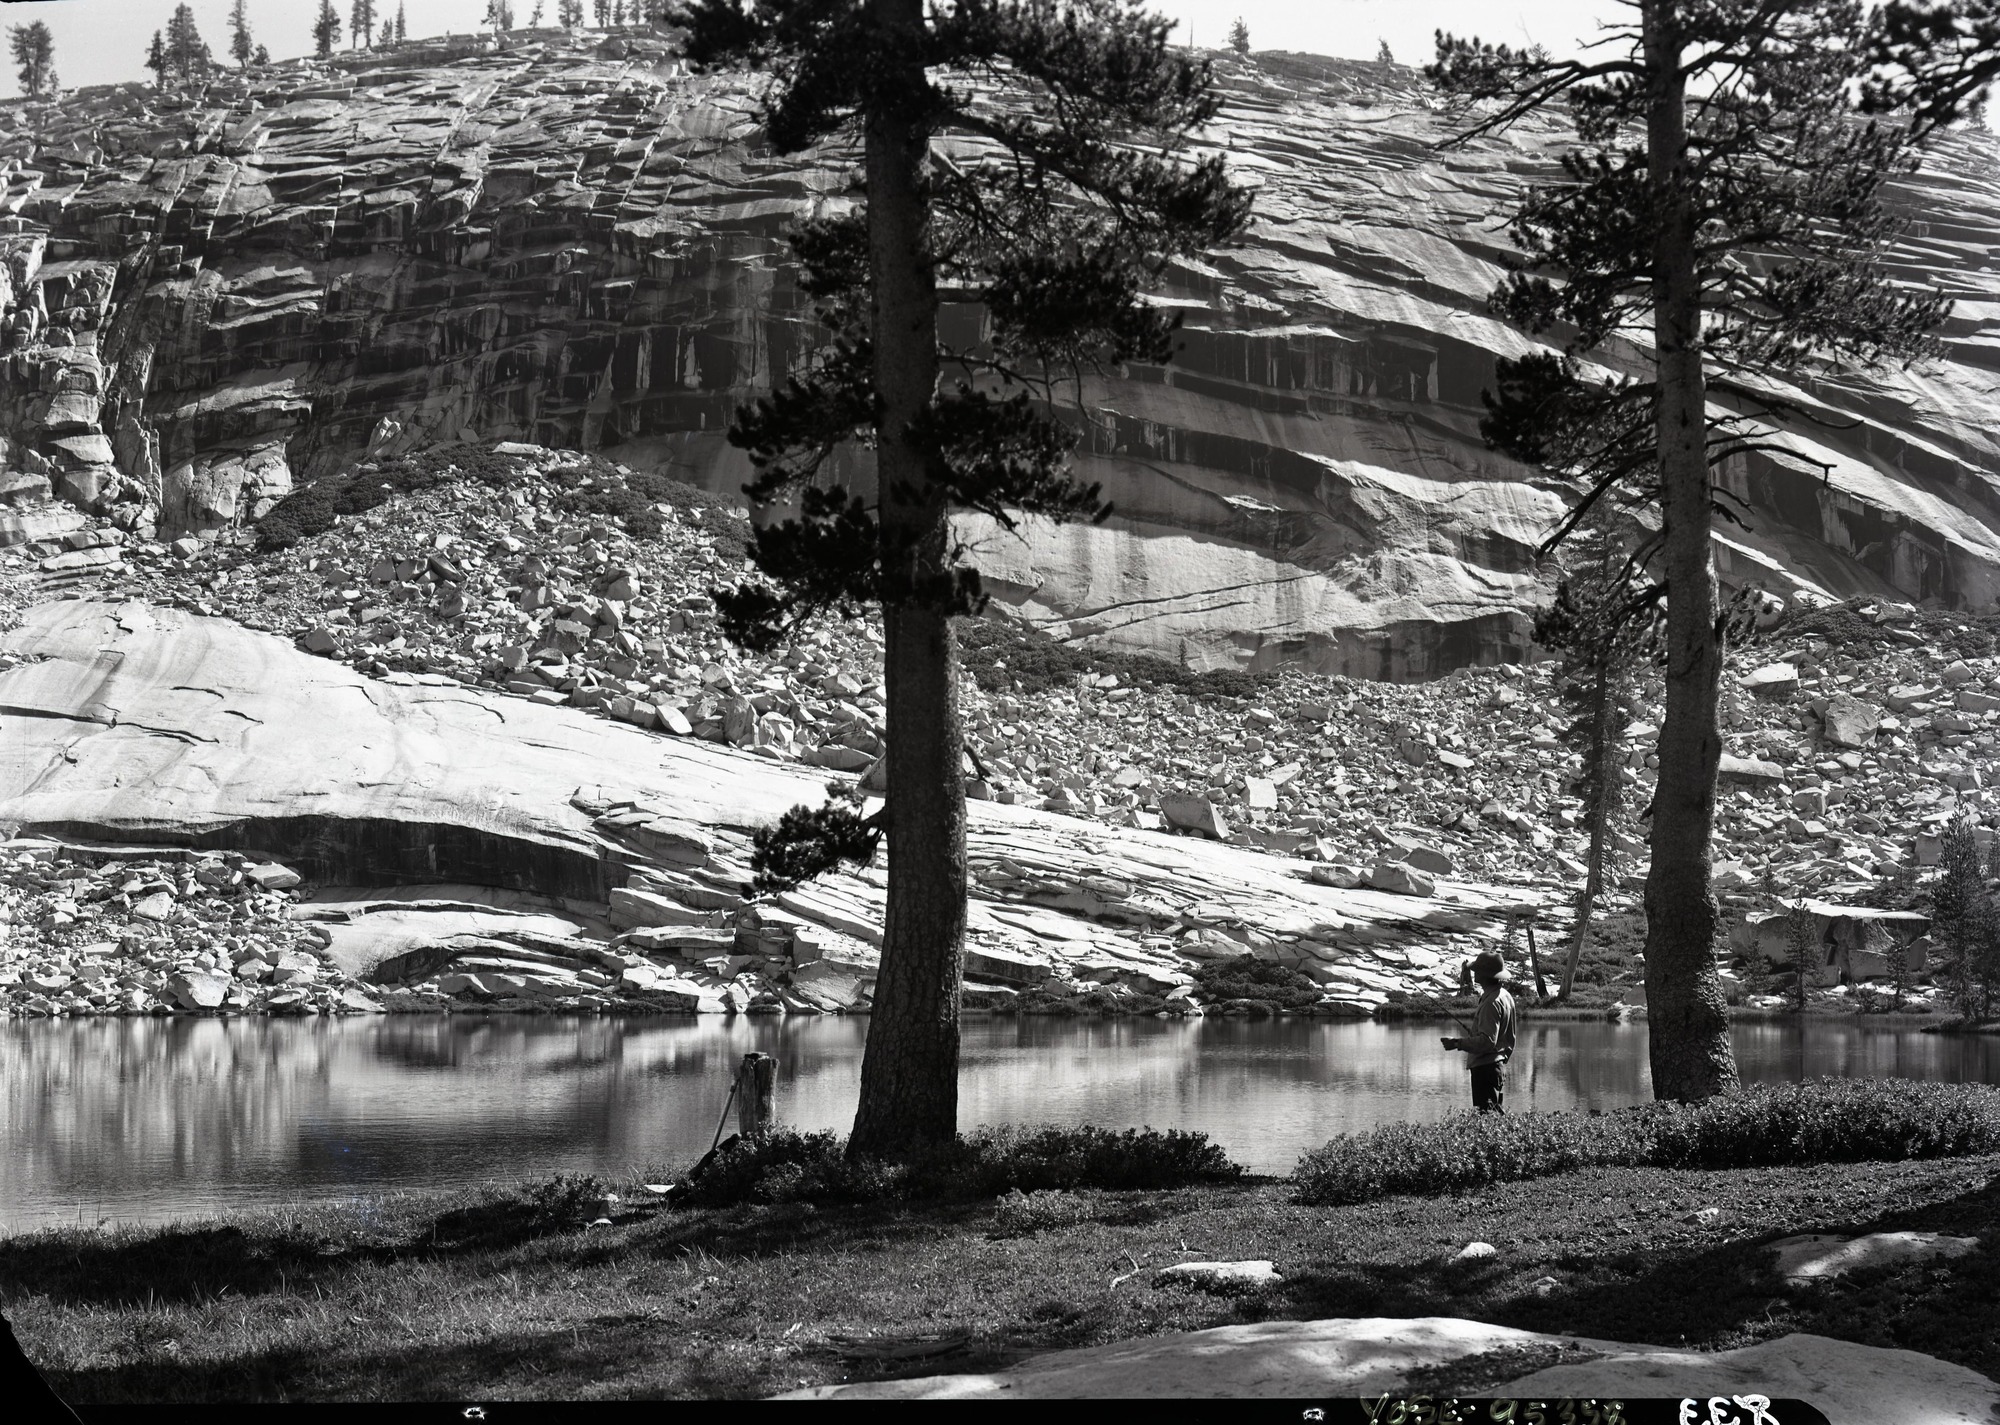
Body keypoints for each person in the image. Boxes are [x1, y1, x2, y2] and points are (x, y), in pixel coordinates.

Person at [1441, 950, 1517, 1112]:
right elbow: (1507, 1038)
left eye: (1477, 969)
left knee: (1486, 1121)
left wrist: (1457, 1043)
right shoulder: (1505, 995)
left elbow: (1488, 1042)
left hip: (1486, 1070)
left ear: (1483, 974)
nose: (1473, 972)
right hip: (1496, 1067)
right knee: (1493, 1119)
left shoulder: (1491, 1002)